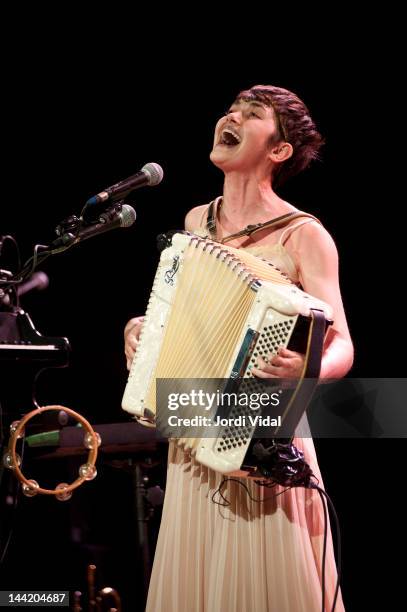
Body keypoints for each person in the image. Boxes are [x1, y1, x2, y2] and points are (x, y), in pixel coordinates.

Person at [124, 84, 353, 611]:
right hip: (196, 423)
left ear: (279, 150)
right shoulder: (194, 223)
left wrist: (305, 368)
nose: (231, 117)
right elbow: (178, 317)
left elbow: (341, 342)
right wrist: (139, 331)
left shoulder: (303, 234)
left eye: (251, 115)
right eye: (231, 109)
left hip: (265, 428)